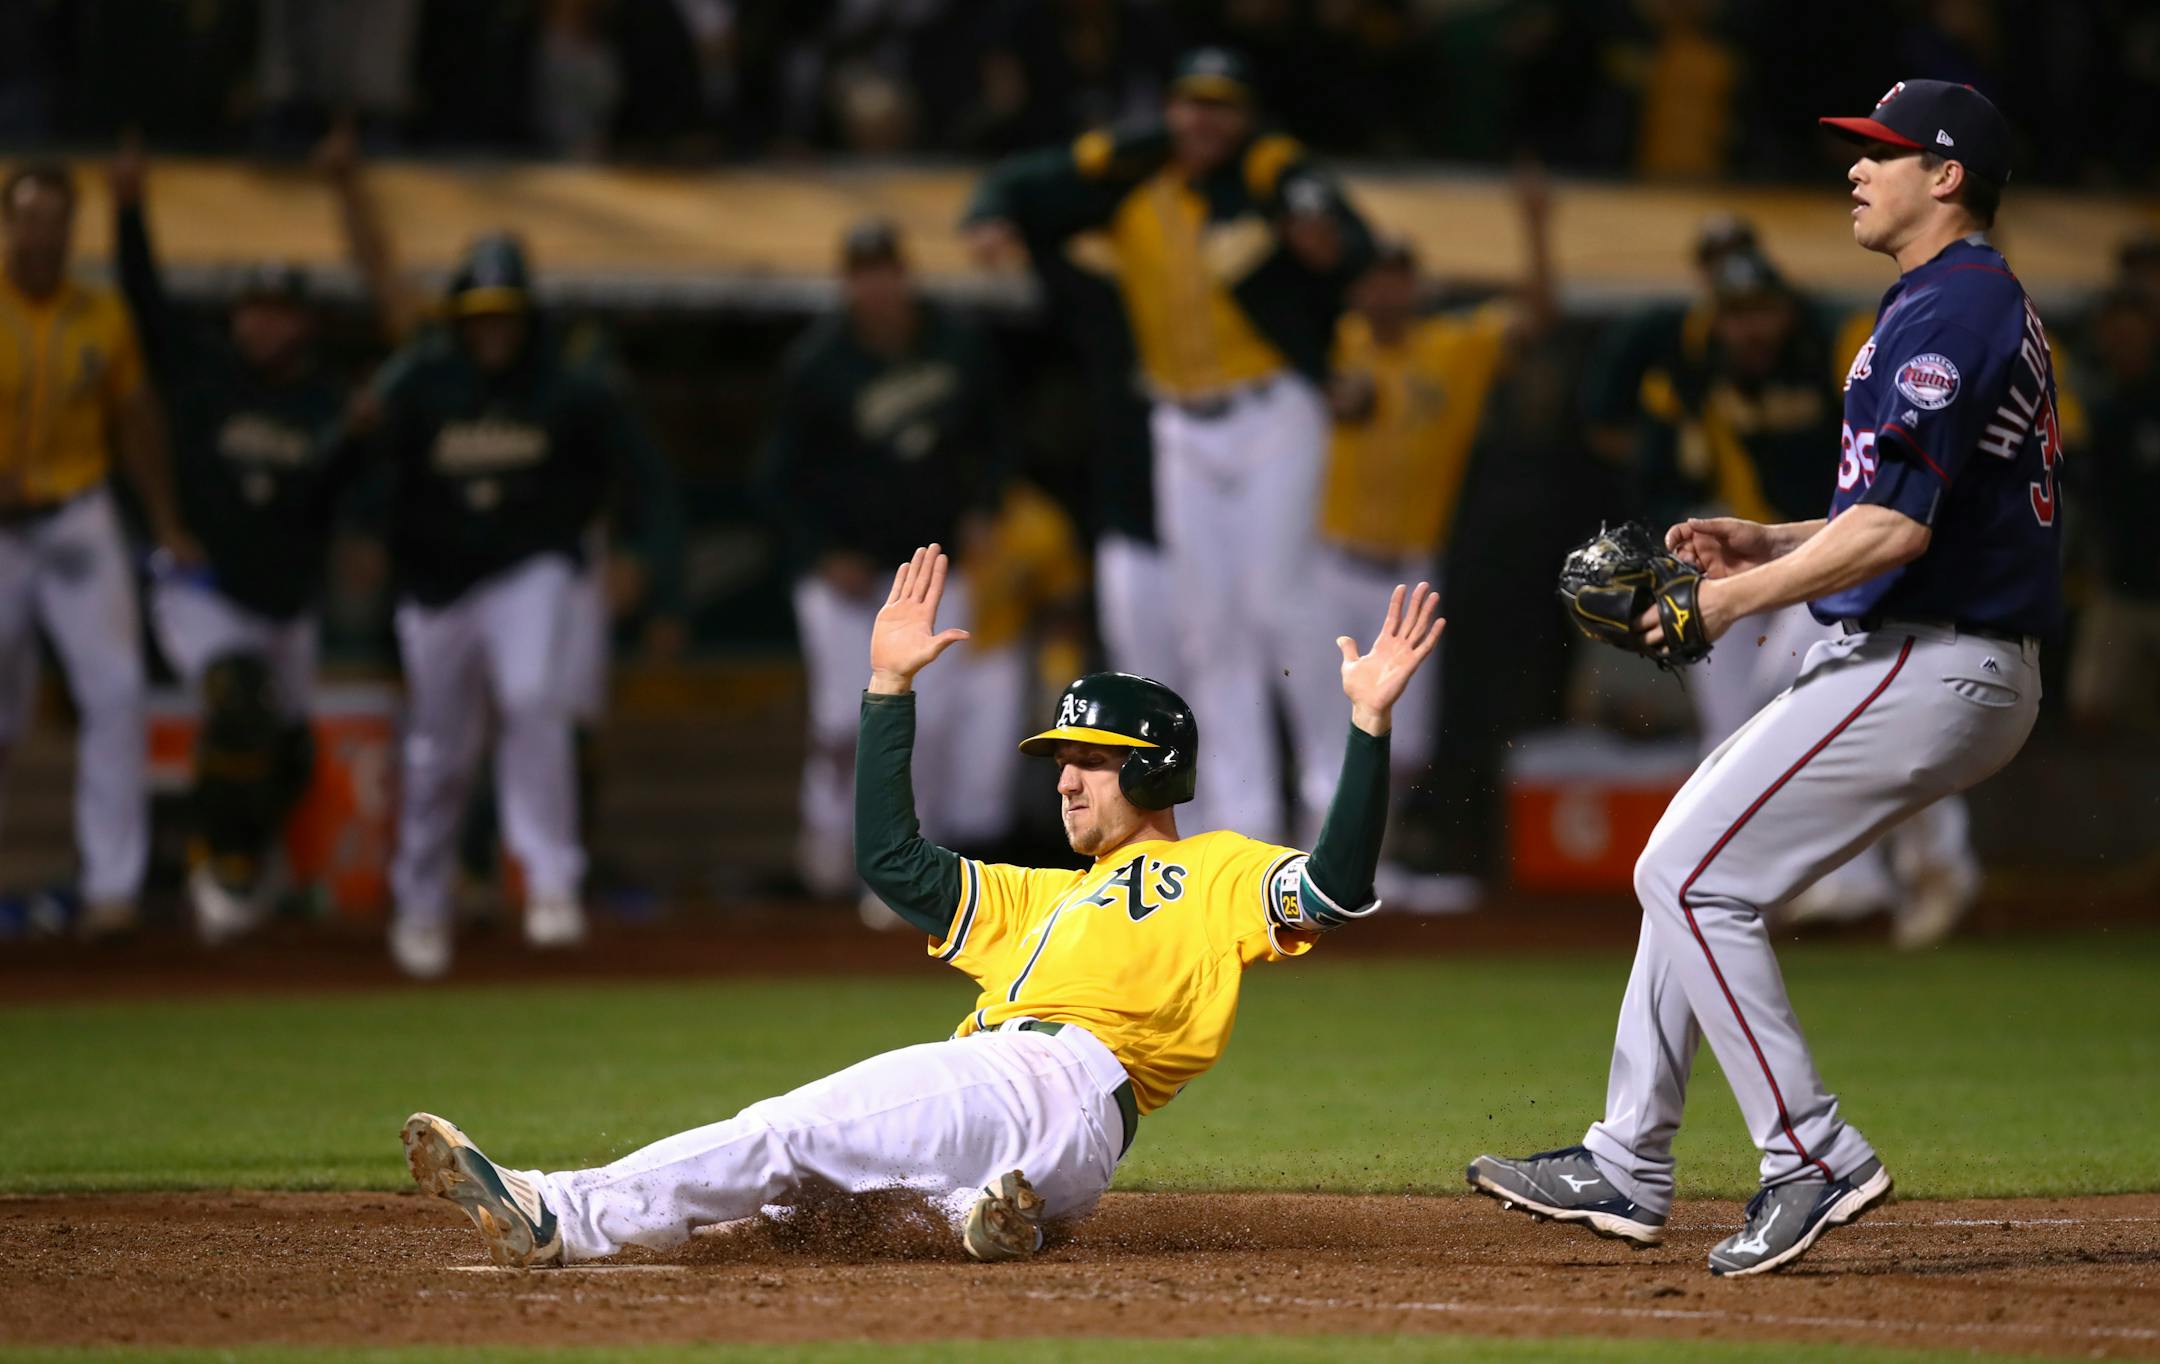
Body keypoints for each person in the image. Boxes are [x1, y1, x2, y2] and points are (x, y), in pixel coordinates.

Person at [400, 543, 1442, 1266]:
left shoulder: (1211, 871)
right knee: (804, 1214)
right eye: (1063, 759)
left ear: (1160, 771)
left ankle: (560, 1211)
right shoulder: (1041, 895)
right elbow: (892, 860)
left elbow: (1336, 887)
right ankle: (982, 1213)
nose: (1069, 778)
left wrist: (1365, 729)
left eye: (1096, 760)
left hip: (1045, 1074)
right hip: (1070, 1150)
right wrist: (888, 694)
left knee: (783, 1133)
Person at [1470, 80, 2060, 1276]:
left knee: (1688, 871)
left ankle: (1813, 1152)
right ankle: (1628, 1158)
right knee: (1684, 857)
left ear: (1948, 176)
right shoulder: (1948, 303)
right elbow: (1902, 514)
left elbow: (1896, 537)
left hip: (1936, 655)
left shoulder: (1952, 308)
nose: (1856, 168)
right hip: (1925, 651)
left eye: (1884, 153)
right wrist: (1774, 542)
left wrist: (1724, 601)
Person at [965, 46, 1374, 844]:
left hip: (1273, 410)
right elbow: (1025, 182)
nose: (1205, 120)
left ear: (1246, 116)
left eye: (1222, 105)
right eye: (1192, 102)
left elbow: (1337, 231)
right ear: (1170, 108)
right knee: (1208, 626)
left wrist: (1322, 238)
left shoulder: (1264, 173)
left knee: (1278, 605)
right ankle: (1243, 827)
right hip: (1180, 421)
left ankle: (1338, 824)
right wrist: (991, 214)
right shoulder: (1129, 179)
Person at [1656, 248, 1983, 948]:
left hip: (1852, 552)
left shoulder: (1842, 348)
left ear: (1785, 307)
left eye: (1760, 311)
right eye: (1735, 315)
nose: (1749, 329)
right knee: (1760, 715)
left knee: (1818, 700)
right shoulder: (1705, 369)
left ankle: (1888, 875)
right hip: (1774, 554)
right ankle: (1786, 880)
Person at [365, 235, 655, 977]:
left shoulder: (569, 389)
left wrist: (631, 552)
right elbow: (373, 476)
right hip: (439, 584)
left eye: (506, 314)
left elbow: (634, 473)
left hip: (531, 568)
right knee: (439, 750)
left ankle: (551, 882)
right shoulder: (420, 385)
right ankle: (422, 902)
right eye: (479, 314)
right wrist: (372, 541)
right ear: (460, 318)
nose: (493, 329)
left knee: (533, 700)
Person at [109, 139, 349, 944]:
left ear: (304, 321)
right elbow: (143, 300)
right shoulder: (205, 374)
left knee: (290, 751)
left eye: (279, 308)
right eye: (253, 306)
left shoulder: (326, 402)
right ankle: (224, 862)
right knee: (238, 702)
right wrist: (130, 211)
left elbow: (346, 494)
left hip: (287, 600)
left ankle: (253, 857)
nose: (263, 320)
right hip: (203, 588)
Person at [1287, 187, 1553, 911]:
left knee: (1401, 738)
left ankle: (1370, 868)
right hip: (1329, 560)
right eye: (1374, 274)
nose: (1386, 288)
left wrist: (1535, 223)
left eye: (1398, 274)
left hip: (1409, 568)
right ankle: (1313, 875)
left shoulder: (1452, 348)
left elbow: (1536, 317)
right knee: (1323, 725)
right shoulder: (1329, 342)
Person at [761, 220, 1015, 907]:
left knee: (925, 723)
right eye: (863, 272)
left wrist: (986, 504)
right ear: (848, 283)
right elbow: (780, 478)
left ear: (905, 274)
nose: (878, 285)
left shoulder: (957, 344)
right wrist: (819, 552)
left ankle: (904, 874)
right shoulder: (817, 362)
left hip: (932, 568)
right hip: (846, 577)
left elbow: (993, 440)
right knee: (845, 724)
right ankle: (824, 847)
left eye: (887, 270)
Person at [0, 161, 198, 938]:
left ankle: (112, 888)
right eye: (29, 217)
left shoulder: (101, 314)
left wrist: (166, 519)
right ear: (9, 225)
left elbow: (137, 416)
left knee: (116, 691)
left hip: (78, 515)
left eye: (57, 219)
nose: (44, 232)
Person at [2068, 286, 2160, 738]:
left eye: (2133, 336)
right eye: (2116, 337)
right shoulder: (2100, 408)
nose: (2124, 346)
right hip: (2120, 582)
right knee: (2089, 707)